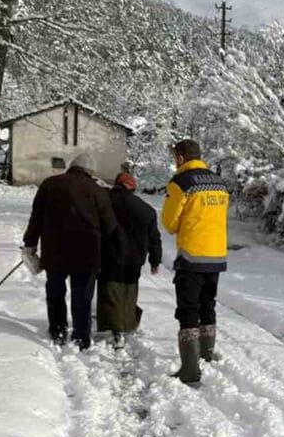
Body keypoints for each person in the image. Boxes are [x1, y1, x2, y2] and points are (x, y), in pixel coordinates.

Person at [23, 154, 117, 350]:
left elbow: (36, 217)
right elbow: (110, 226)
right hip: (87, 254)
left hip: (54, 251)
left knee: (55, 292)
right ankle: (81, 336)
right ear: (90, 172)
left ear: (71, 167)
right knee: (82, 296)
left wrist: (30, 243)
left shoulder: (49, 184)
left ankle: (57, 330)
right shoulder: (97, 191)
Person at [161, 139, 230, 385]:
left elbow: (169, 224)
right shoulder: (220, 184)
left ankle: (190, 369)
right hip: (216, 257)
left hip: (191, 257)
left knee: (188, 309)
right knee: (207, 304)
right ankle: (206, 355)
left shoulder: (181, 183)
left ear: (180, 158)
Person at [98, 171, 163, 346]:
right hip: (135, 259)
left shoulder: (105, 202)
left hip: (108, 255)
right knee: (129, 291)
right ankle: (127, 324)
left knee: (110, 290)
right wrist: (155, 260)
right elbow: (154, 238)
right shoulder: (147, 210)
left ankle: (113, 329)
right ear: (133, 188)